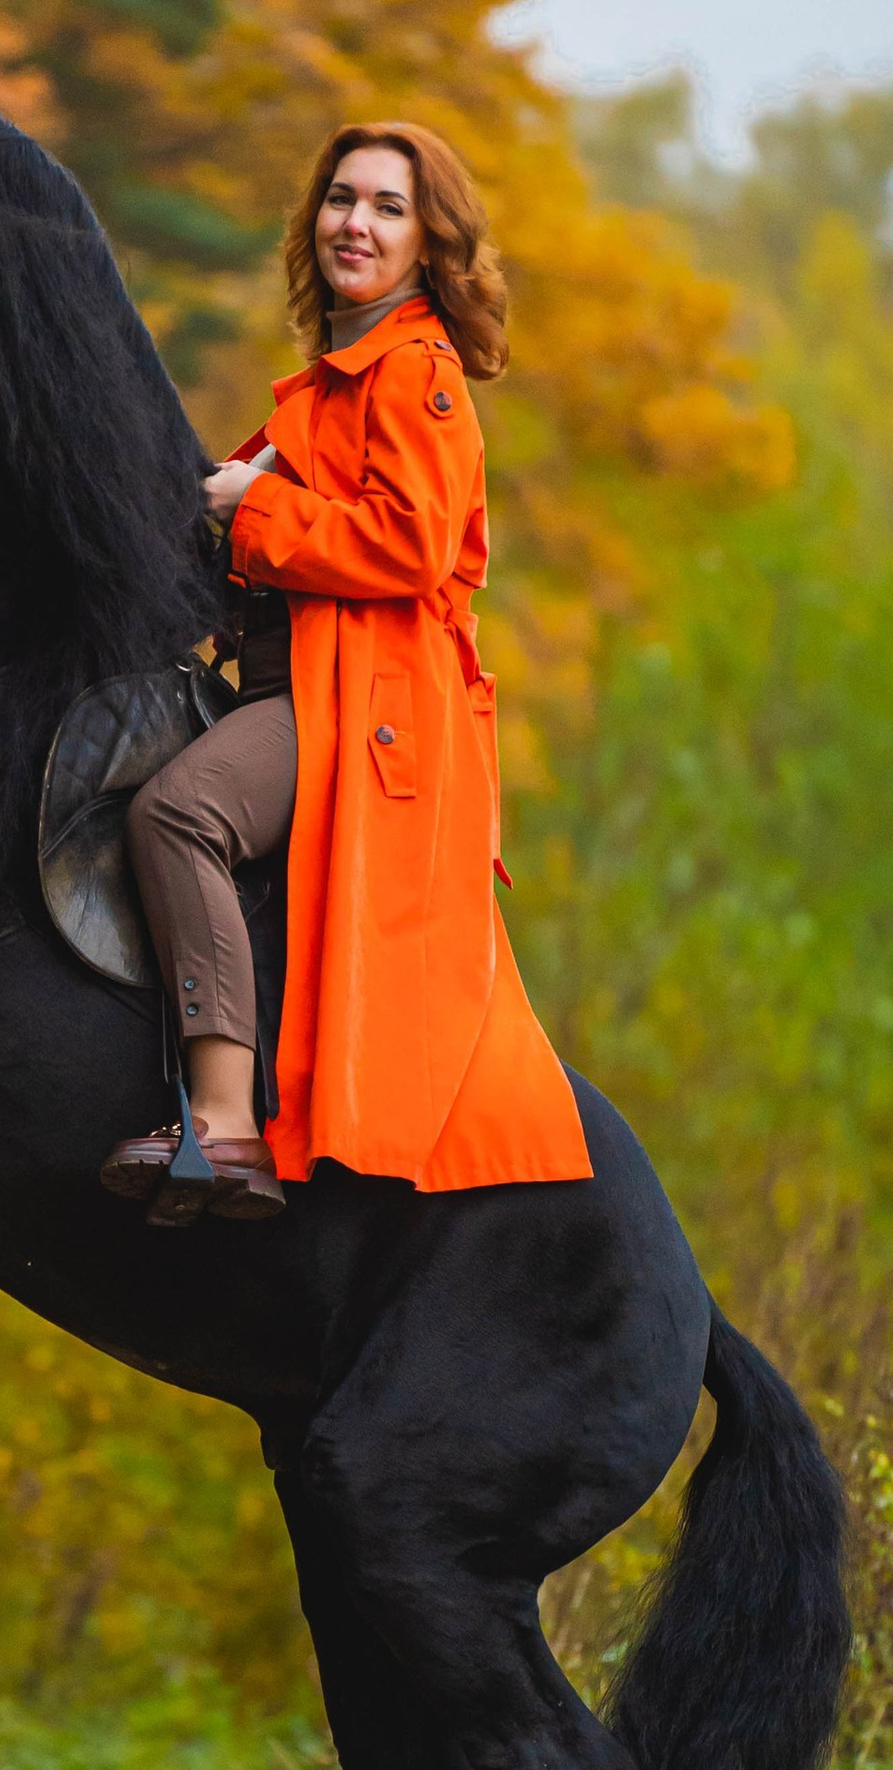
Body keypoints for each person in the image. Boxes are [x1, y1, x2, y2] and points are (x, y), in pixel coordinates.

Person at [100, 124, 596, 1226]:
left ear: (428, 244)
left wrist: (252, 510)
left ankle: (223, 1124)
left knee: (177, 816)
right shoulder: (324, 388)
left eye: (384, 207)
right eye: (338, 199)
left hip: (360, 706)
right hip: (299, 682)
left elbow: (409, 545)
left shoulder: (415, 376)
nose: (353, 224)